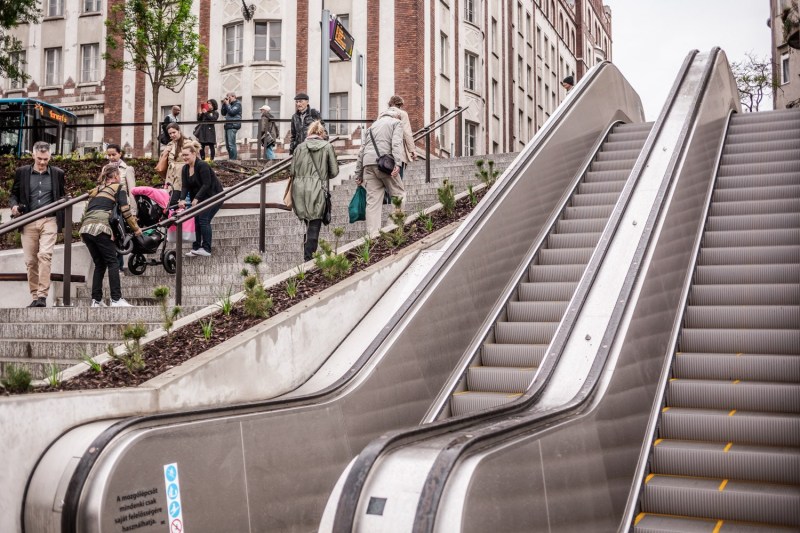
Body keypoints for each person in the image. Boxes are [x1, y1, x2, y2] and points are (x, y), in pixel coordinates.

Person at [9, 141, 66, 307]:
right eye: (39, 158)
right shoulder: (22, 173)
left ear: (50, 157)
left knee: (45, 255)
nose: (42, 162)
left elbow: (62, 196)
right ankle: (35, 297)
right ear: (33, 155)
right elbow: (13, 194)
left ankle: (42, 296)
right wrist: (13, 206)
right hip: (28, 220)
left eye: (46, 159)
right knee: (31, 261)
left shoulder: (57, 173)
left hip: (50, 220)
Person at [79, 163, 142, 307]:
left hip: (86, 229)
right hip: (101, 227)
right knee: (112, 262)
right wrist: (136, 228)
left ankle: (96, 300)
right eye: (119, 175)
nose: (120, 177)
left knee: (99, 263)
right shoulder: (119, 188)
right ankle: (116, 299)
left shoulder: (97, 190)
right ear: (114, 176)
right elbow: (125, 211)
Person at [290, 120, 339, 260]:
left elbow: (292, 170)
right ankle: (309, 257)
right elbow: (334, 171)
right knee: (315, 222)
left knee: (307, 221)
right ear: (322, 133)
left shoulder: (299, 147)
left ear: (309, 133)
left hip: (299, 189)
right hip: (317, 187)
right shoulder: (327, 146)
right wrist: (323, 174)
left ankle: (308, 253)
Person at [354, 108, 405, 236]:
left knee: (372, 201)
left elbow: (362, 150)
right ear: (397, 116)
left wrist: (358, 173)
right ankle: (393, 227)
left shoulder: (371, 127)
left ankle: (373, 235)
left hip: (368, 165)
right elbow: (396, 143)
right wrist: (398, 163)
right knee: (398, 194)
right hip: (385, 164)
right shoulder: (396, 123)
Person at [178, 143, 224, 257]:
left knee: (203, 220)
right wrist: (182, 199)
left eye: (186, 155)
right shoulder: (185, 168)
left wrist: (197, 198)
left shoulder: (202, 165)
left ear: (194, 154)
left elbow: (206, 184)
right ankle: (196, 248)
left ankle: (206, 249)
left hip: (214, 196)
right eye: (183, 155)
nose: (184, 158)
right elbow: (185, 186)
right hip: (200, 198)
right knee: (195, 221)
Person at [106, 143, 137, 274]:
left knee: (120, 236)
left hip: (123, 206)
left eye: (114, 154)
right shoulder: (106, 169)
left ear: (120, 154)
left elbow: (132, 190)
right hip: (109, 206)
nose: (111, 157)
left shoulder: (127, 169)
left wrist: (134, 211)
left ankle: (118, 267)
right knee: (110, 237)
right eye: (109, 155)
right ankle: (114, 266)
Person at [162, 122, 194, 205]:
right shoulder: (170, 144)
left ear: (179, 131)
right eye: (170, 133)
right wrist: (166, 151)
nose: (172, 135)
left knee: (174, 201)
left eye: (174, 132)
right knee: (169, 200)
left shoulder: (187, 143)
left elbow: (192, 159)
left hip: (182, 174)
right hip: (171, 175)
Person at [387, 95, 416, 178]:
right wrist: (412, 150)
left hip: (383, 153)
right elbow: (407, 132)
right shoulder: (402, 114)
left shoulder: (382, 114)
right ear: (400, 105)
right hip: (398, 151)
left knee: (385, 182)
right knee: (397, 181)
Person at [220, 92, 242, 160]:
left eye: (229, 97)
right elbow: (223, 113)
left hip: (233, 125)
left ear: (233, 96)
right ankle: (231, 159)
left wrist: (227, 104)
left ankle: (233, 160)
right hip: (227, 125)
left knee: (231, 144)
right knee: (228, 146)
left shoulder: (238, 104)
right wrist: (224, 104)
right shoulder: (229, 104)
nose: (228, 99)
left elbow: (232, 112)